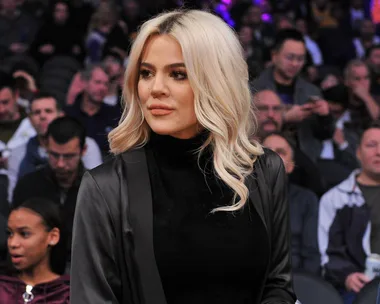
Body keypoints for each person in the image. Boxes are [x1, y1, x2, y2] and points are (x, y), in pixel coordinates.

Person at [71, 10, 296, 304]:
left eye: (178, 74)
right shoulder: (106, 187)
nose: (155, 89)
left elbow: (278, 285)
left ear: (217, 82)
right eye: (146, 73)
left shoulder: (265, 170)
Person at [319, 121, 380, 304]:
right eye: (371, 145)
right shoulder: (335, 198)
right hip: (359, 287)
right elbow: (327, 253)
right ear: (358, 152)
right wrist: (347, 276)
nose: (379, 152)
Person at [12, 116, 87, 266]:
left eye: (68, 156)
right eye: (54, 155)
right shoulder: (28, 185)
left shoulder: (95, 187)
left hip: (82, 270)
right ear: (46, 147)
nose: (60, 164)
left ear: (83, 150)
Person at [253, 29, 335, 164]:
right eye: (290, 57)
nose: (295, 64)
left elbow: (324, 134)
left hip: (304, 158)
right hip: (262, 158)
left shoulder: (311, 91)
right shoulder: (255, 89)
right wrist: (283, 118)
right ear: (274, 56)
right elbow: (246, 129)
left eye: (300, 59)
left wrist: (325, 116)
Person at [262, 132, 320, 275]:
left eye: (281, 152)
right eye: (266, 152)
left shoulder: (306, 200)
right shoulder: (240, 197)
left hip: (295, 282)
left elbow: (311, 255)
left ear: (291, 166)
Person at [254, 89, 325, 195]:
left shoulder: (296, 158)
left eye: (276, 109)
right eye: (263, 108)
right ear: (249, 112)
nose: (270, 114)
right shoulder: (234, 151)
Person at [0, 198, 70, 303]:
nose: (12, 243)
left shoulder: (68, 295)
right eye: (10, 233)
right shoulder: (3, 288)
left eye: (24, 234)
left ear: (52, 237)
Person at [65, 64, 121, 156]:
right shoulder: (68, 115)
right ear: (84, 83)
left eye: (106, 84)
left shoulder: (115, 116)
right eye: (98, 82)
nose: (102, 88)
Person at [0, 72, 36, 205]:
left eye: (5, 102)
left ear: (16, 95)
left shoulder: (33, 124)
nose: (1, 109)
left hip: (26, 191)